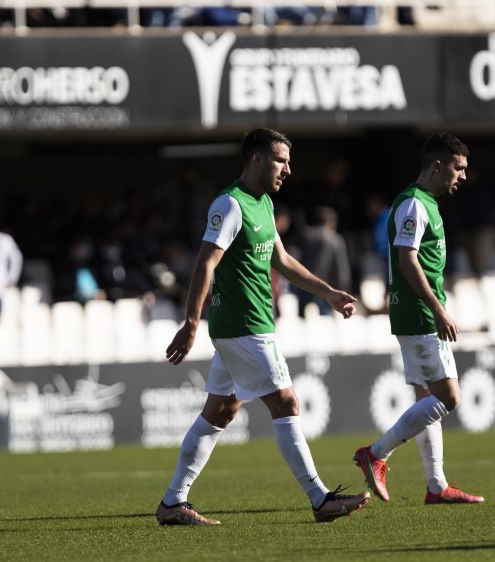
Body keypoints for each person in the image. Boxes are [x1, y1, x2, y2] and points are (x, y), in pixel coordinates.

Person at [156, 128, 370, 526]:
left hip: (248, 325)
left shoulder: (265, 205)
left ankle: (172, 502)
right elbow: (205, 262)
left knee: (220, 411)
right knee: (286, 403)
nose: (288, 169)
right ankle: (320, 499)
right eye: (280, 160)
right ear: (256, 159)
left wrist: (327, 292)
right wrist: (190, 321)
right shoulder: (230, 204)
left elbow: (283, 261)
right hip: (244, 326)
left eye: (289, 161)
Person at [352, 133, 485, 506]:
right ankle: (376, 453)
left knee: (426, 399)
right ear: (437, 166)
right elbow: (407, 259)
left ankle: (436, 485)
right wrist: (439, 309)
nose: (462, 176)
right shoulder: (413, 204)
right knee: (449, 398)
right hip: (421, 315)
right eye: (458, 169)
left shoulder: (425, 202)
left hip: (416, 314)